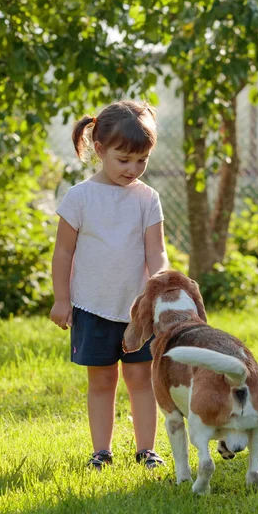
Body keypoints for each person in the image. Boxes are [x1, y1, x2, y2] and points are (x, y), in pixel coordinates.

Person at [50, 100, 169, 470]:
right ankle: (101, 451)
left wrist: (159, 292)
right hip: (92, 306)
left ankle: (146, 450)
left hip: (137, 311)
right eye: (124, 160)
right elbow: (63, 253)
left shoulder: (148, 199)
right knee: (102, 381)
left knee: (140, 379)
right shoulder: (79, 197)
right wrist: (61, 299)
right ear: (100, 150)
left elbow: (157, 253)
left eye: (142, 161)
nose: (133, 170)